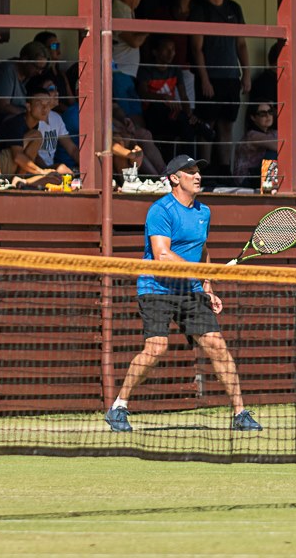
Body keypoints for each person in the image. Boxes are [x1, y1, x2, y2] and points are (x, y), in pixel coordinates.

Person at [104, 155, 260, 434]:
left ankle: (240, 413)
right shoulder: (160, 210)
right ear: (174, 179)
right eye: (190, 172)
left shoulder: (204, 212)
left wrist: (208, 285)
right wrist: (196, 272)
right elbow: (163, 255)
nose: (197, 176)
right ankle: (118, 406)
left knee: (217, 346)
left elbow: (202, 250)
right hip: (157, 288)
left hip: (191, 290)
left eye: (198, 171)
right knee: (157, 347)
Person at [188, 0, 250, 176]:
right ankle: (203, 172)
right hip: (210, 78)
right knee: (207, 125)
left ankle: (225, 171)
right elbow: (196, 48)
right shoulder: (200, 9)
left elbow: (241, 44)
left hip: (231, 77)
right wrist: (204, 79)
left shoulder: (235, 8)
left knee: (226, 126)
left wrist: (246, 73)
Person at [111, 0, 147, 79]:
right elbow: (134, 42)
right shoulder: (119, 11)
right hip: (119, 72)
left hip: (124, 72)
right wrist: (147, 29)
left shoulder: (125, 10)